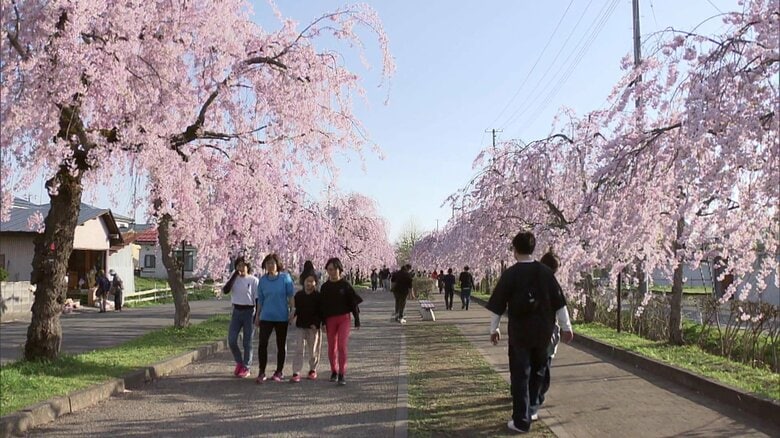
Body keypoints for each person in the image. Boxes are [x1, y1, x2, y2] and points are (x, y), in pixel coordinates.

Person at [486, 231, 570, 434]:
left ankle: (521, 421)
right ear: (533, 248)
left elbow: (498, 305)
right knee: (538, 371)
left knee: (520, 375)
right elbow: (559, 302)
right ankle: (532, 409)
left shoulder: (510, 274)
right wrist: (566, 326)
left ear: (515, 250)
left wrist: (494, 329)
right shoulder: (545, 273)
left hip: (520, 334)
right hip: (543, 332)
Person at [534, 251, 573, 418]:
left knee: (530, 365)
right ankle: (536, 398)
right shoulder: (551, 283)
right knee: (544, 365)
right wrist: (566, 327)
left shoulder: (528, 279)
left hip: (526, 331)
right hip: (546, 331)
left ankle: (528, 395)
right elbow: (560, 307)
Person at [320, 257, 363, 385]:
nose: (332, 272)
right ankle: (334, 370)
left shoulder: (345, 285)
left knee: (342, 346)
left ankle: (342, 373)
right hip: (330, 319)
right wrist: (323, 322)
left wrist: (357, 319)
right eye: (329, 270)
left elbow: (353, 303)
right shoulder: (325, 287)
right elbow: (322, 306)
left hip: (344, 318)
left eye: (334, 269)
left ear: (339, 269)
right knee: (332, 347)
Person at [255, 253, 295, 383]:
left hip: (281, 316)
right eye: (268, 263)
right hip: (266, 316)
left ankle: (279, 371)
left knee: (281, 344)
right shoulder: (262, 281)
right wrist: (257, 315)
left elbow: (290, 296)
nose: (270, 265)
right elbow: (260, 300)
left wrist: (292, 311)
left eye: (272, 263)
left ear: (277, 264)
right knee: (262, 343)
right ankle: (262, 371)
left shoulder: (285, 278)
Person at [226, 259, 258, 378]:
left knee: (247, 342)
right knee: (232, 339)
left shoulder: (253, 280)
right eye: (239, 265)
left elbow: (257, 299)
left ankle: (246, 366)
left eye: (243, 265)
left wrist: (257, 315)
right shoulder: (234, 279)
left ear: (247, 267)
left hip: (249, 312)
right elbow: (226, 290)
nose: (241, 268)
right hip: (236, 311)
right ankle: (239, 362)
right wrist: (234, 276)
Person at [290, 270, 322, 382]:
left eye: (311, 281)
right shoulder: (299, 295)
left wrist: (316, 323)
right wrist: (292, 317)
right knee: (299, 349)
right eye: (307, 281)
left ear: (315, 283)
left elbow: (321, 312)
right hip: (301, 326)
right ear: (303, 282)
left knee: (313, 349)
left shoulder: (318, 296)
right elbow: (296, 309)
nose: (309, 283)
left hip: (313, 327)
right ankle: (296, 371)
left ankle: (313, 369)